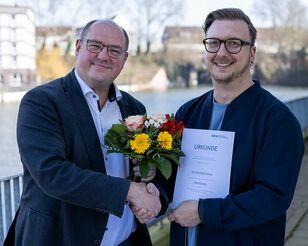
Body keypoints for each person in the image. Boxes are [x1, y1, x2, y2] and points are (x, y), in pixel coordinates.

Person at [4, 19, 167, 246]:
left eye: (114, 50)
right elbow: (52, 174)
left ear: (125, 59)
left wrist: (152, 194)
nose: (103, 55)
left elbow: (145, 168)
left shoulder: (134, 108)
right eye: (95, 46)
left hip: (126, 240)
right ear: (78, 47)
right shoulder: (41, 101)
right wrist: (128, 191)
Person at [167, 8, 305, 246]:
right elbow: (172, 177)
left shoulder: (278, 121)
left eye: (233, 43)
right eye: (213, 42)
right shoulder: (186, 113)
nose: (221, 52)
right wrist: (151, 185)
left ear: (252, 53)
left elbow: (272, 197)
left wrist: (203, 212)